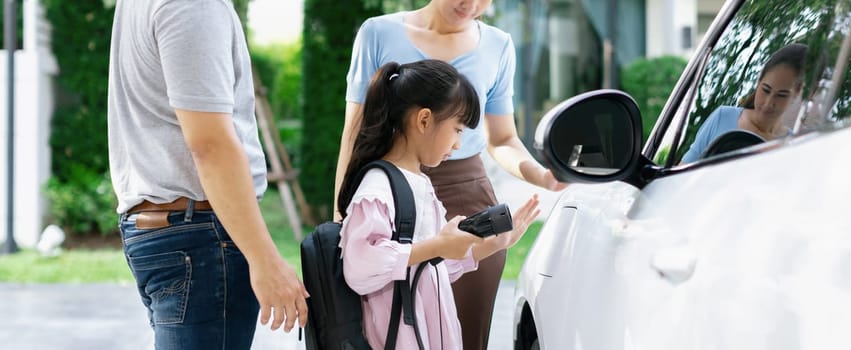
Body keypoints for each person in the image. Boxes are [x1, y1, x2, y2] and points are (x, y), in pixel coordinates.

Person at [336, 1, 565, 348]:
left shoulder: (498, 44)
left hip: (468, 197)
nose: (472, 5)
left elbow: (502, 139)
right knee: (391, 327)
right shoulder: (377, 33)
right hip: (395, 195)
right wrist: (341, 214)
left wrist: (544, 177)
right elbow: (354, 131)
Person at [107, 1, 307, 348]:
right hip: (199, 238)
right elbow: (210, 144)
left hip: (169, 231)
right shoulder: (194, 5)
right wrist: (265, 260)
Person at [680, 43, 808, 164]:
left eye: (781, 95)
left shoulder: (794, 146)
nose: (769, 103)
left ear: (796, 93)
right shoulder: (722, 117)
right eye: (766, 90)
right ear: (758, 82)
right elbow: (683, 171)